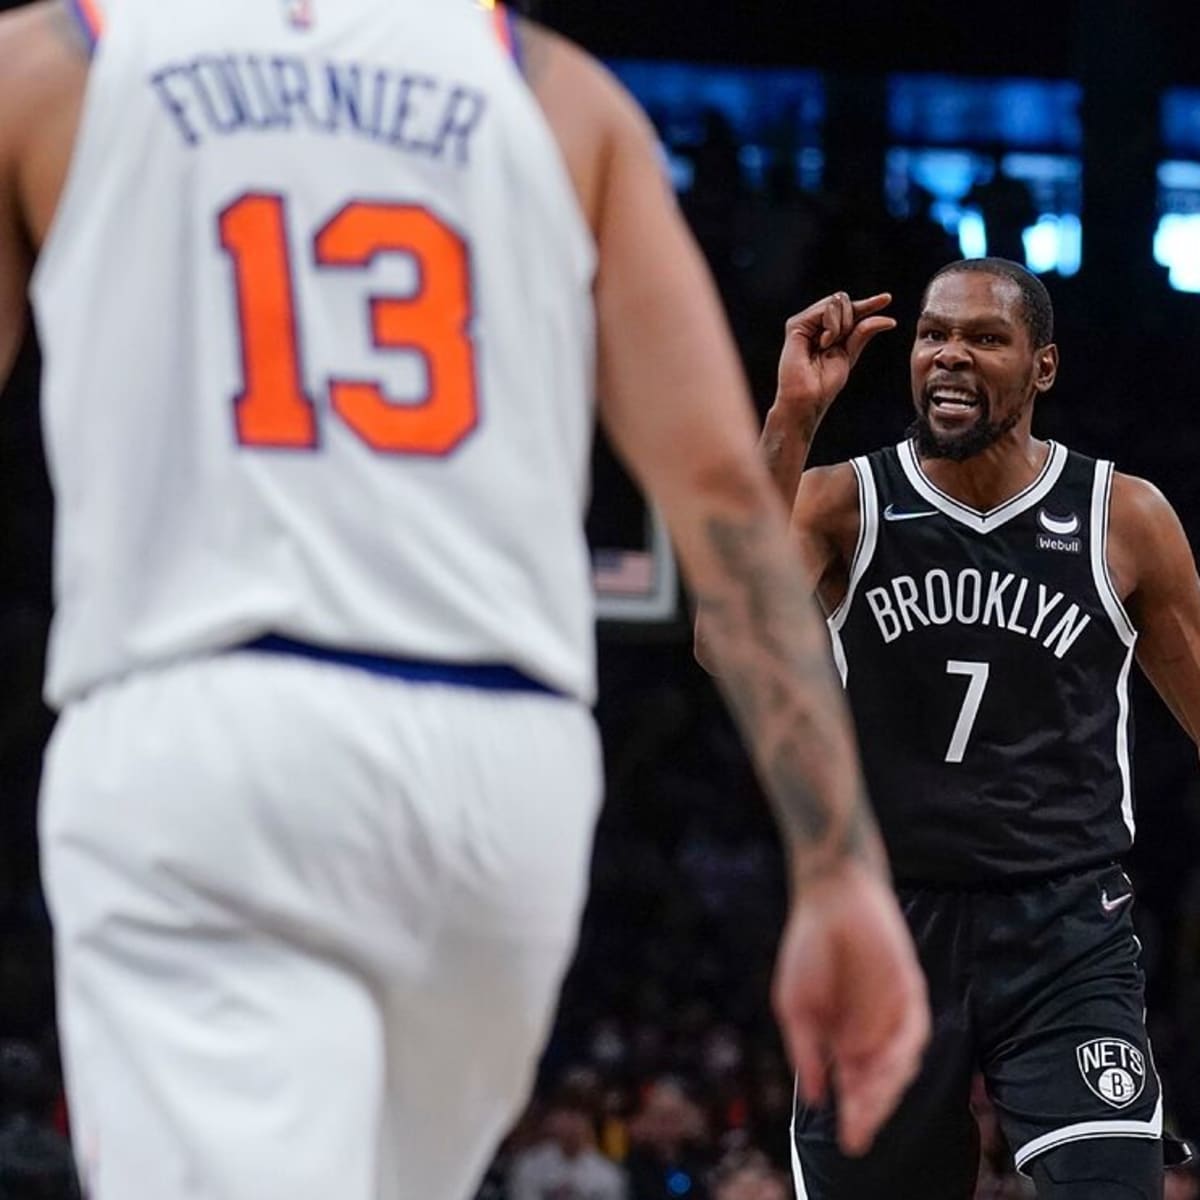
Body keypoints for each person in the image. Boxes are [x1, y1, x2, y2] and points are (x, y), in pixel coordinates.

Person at [0, 2, 927, 1198]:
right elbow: (719, 496)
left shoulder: (58, 58)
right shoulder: (555, 92)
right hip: (500, 782)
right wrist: (839, 864)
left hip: (208, 733)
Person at [698, 256, 1200, 1199]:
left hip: (1064, 925)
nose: (950, 357)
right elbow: (725, 642)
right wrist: (793, 418)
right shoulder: (843, 501)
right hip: (889, 921)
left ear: (1042, 367)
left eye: (984, 338)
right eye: (933, 335)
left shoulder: (1121, 517)